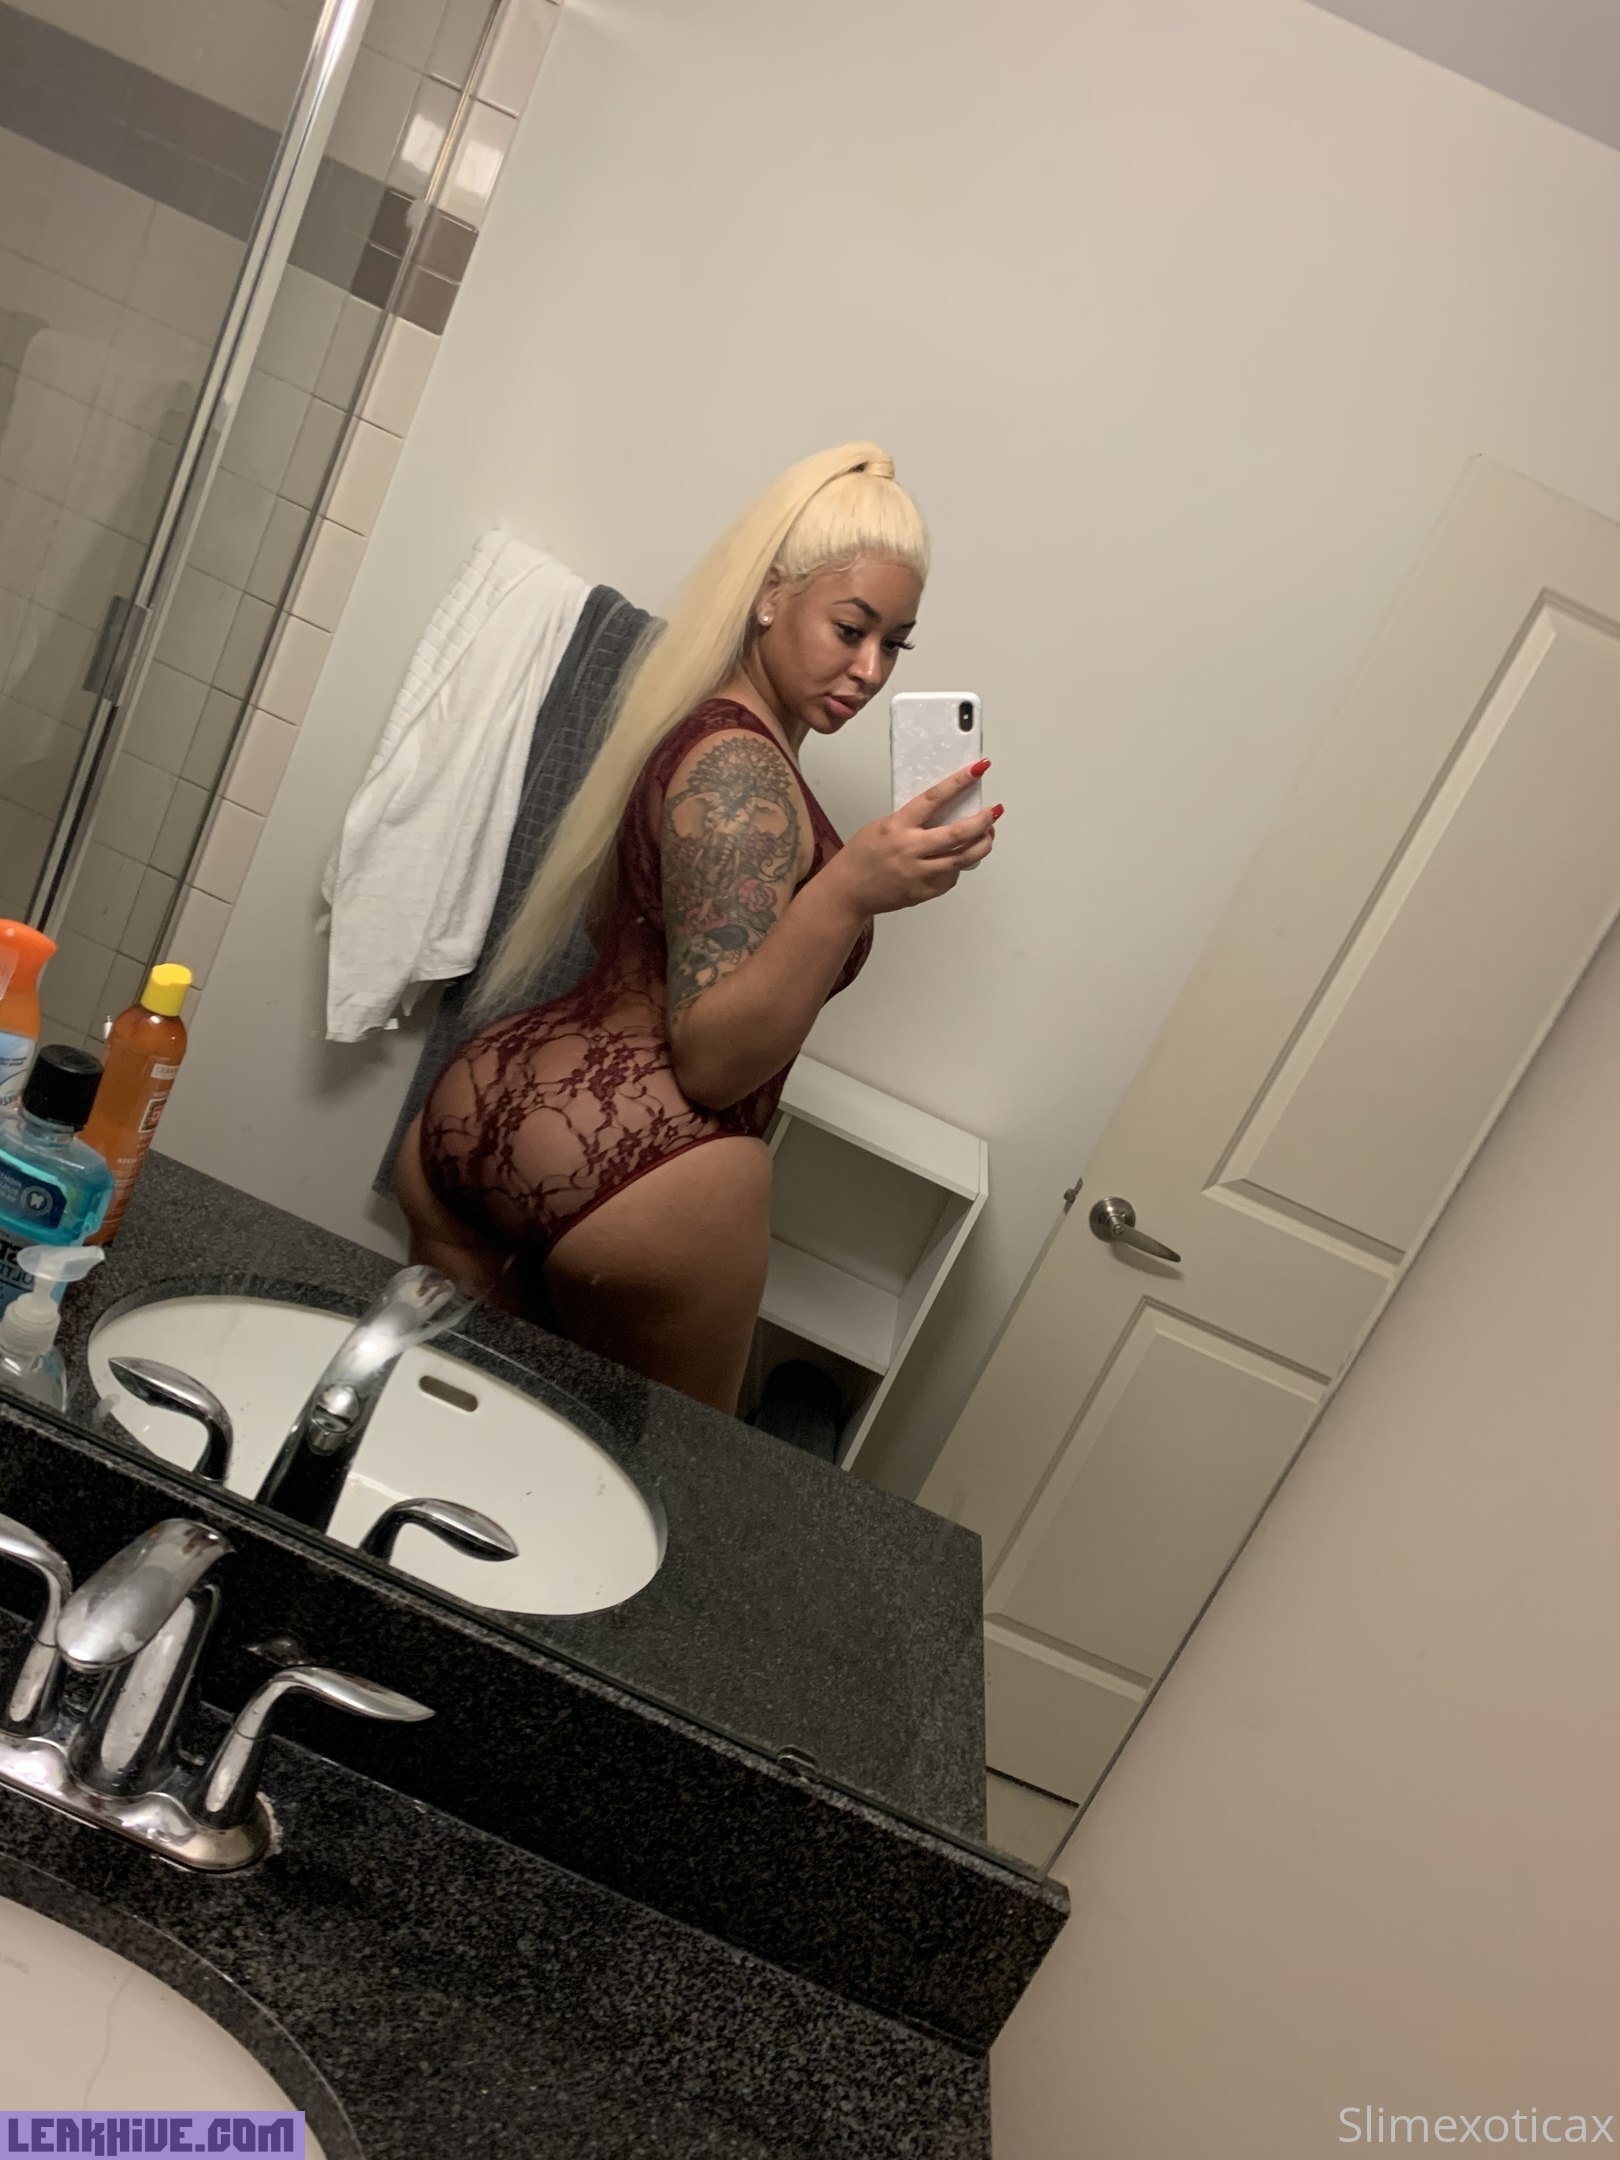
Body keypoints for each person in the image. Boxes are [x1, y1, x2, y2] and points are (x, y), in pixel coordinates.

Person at [394, 442, 1000, 1413]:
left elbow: (619, 929)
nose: (869, 669)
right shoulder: (742, 771)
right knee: (664, 1477)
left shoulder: (695, 725)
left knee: (445, 1425)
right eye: (851, 628)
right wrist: (848, 891)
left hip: (482, 1108)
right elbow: (712, 1062)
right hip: (639, 1168)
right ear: (770, 596)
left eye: (896, 644)